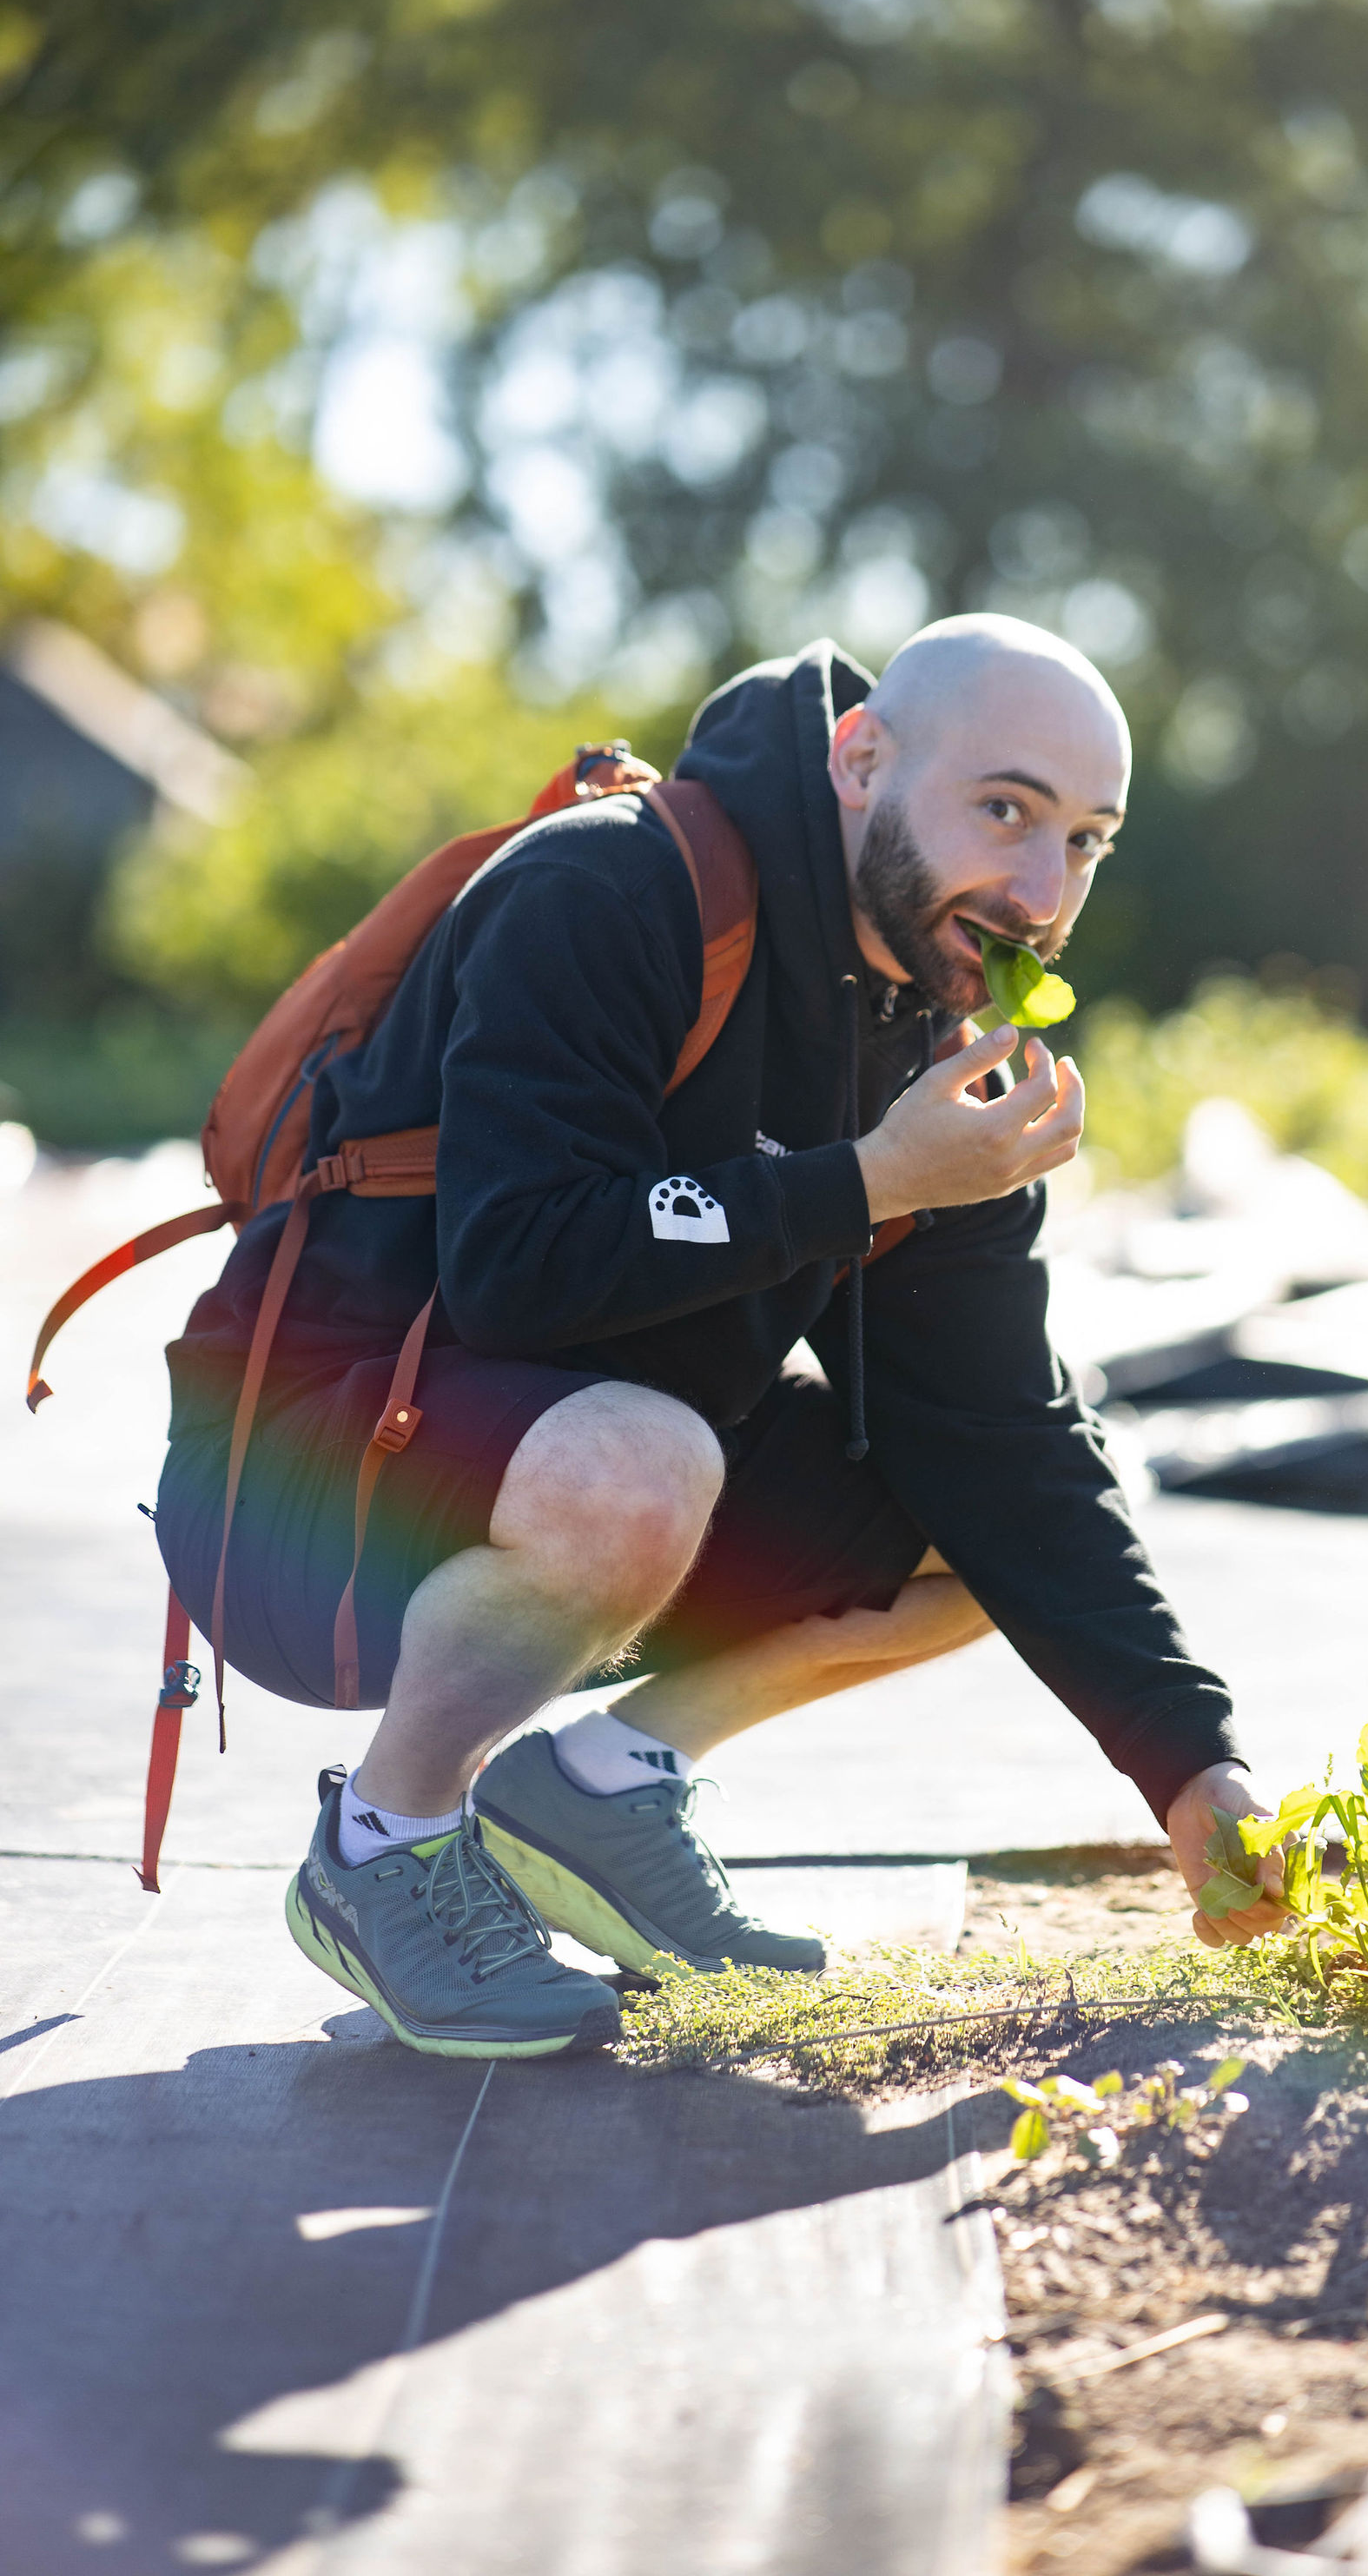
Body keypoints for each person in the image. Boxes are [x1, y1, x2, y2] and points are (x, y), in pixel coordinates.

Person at [155, 615, 1289, 2060]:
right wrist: (868, 1178)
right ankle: (386, 1845)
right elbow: (516, 1265)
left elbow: (1006, 1443)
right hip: (299, 1489)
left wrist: (1197, 1771)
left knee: (988, 1531)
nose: (1038, 886)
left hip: (580, 1475)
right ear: (862, 760)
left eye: (1085, 841)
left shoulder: (933, 1043)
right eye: (1004, 809)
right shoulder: (610, 887)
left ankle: (610, 1785)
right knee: (644, 1458)